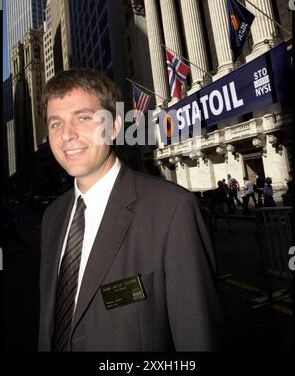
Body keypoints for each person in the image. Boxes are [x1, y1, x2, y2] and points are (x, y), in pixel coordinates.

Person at [38, 68, 224, 352]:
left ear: (113, 127)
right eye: (55, 123)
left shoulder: (172, 210)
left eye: (83, 118)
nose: (67, 135)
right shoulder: (52, 216)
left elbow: (199, 336)